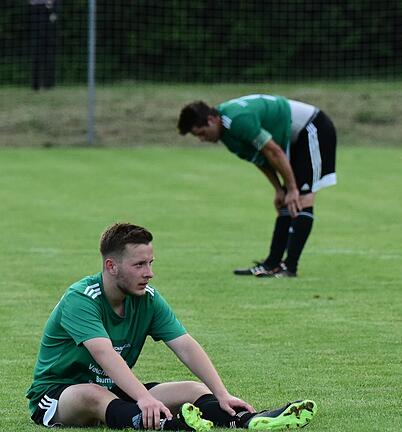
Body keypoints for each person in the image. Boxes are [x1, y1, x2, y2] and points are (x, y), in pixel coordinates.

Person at [26, 223, 316, 430]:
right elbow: (105, 354)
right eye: (139, 265)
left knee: (193, 389)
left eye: (150, 263)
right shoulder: (81, 298)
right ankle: (171, 426)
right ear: (111, 266)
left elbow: (185, 346)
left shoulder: (147, 298)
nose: (149, 273)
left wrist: (222, 393)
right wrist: (143, 397)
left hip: (114, 388)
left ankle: (246, 420)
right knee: (92, 393)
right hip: (56, 396)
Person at [177, 95, 337, 278]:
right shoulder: (227, 135)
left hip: (313, 127)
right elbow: (261, 158)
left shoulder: (238, 120)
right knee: (287, 201)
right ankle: (272, 264)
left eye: (201, 133)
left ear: (212, 120)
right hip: (294, 139)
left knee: (303, 197)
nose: (201, 139)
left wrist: (292, 189)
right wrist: (279, 189)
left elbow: (273, 150)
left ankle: (290, 267)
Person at [29, 0, 58, 90]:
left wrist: (52, 9)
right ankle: (36, 85)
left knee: (48, 52)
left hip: (48, 9)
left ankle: (48, 84)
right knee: (37, 52)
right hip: (37, 10)